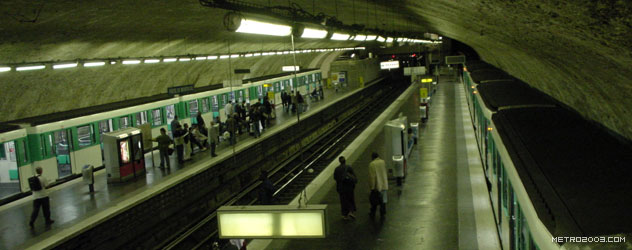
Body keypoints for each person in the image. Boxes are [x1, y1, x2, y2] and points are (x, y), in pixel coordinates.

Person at [333, 156, 357, 220]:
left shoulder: (337, 169)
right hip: (349, 187)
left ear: (339, 161)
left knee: (343, 201)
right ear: (345, 161)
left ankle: (344, 215)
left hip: (341, 188)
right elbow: (354, 176)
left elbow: (335, 178)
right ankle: (350, 211)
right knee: (350, 199)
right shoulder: (348, 167)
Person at [368, 152, 388, 218]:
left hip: (377, 185)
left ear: (372, 157)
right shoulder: (383, 162)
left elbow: (372, 177)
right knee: (384, 200)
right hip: (384, 184)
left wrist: (372, 187)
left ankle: (372, 213)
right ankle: (383, 213)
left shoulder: (372, 164)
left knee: (375, 200)